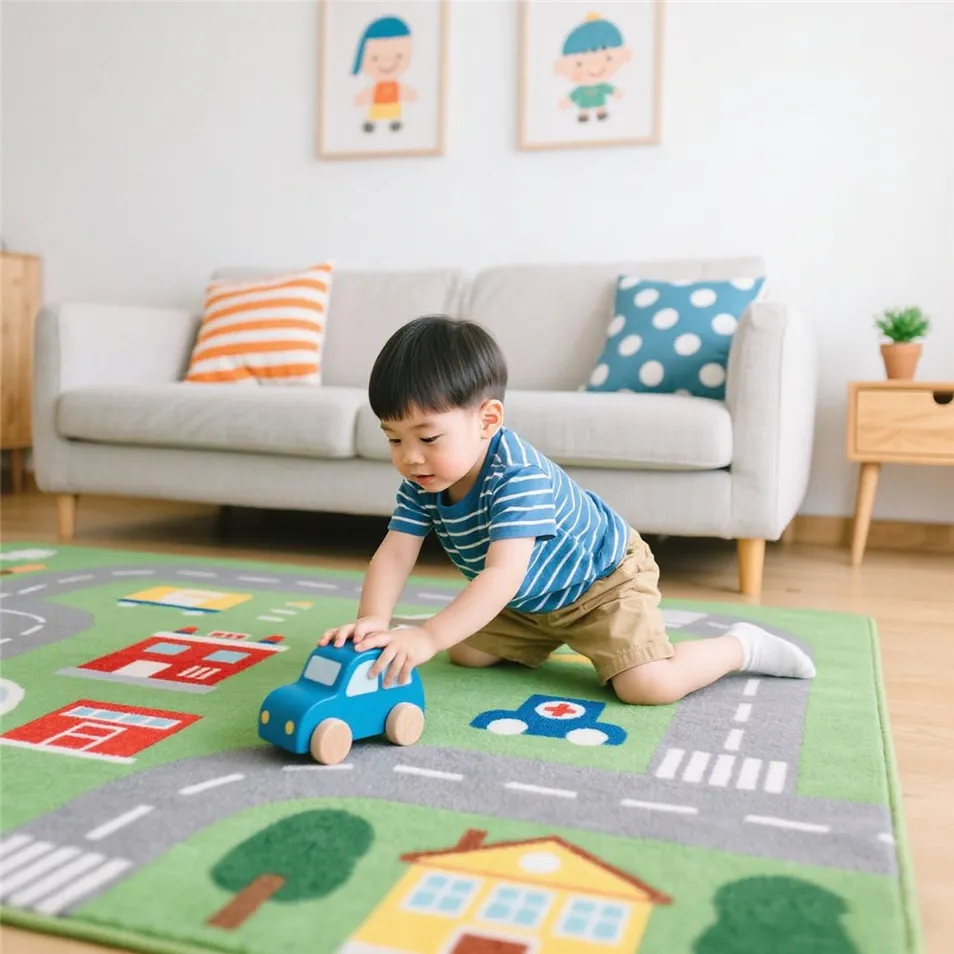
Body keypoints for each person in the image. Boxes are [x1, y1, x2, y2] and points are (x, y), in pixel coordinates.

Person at [320, 315, 816, 701]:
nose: (409, 456)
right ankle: (548, 636)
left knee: (647, 686)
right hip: (532, 598)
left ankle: (739, 647)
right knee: (467, 653)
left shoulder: (517, 478)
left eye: (427, 437)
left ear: (488, 419)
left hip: (601, 583)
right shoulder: (424, 476)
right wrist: (374, 621)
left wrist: (426, 636)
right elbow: (394, 554)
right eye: (393, 438)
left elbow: (501, 576)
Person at [554, 13, 632, 122]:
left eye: (608, 58)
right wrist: (566, 102)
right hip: (584, 104)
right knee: (584, 109)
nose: (594, 67)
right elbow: (574, 95)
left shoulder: (601, 86)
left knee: (600, 108)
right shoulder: (581, 89)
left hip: (600, 103)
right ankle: (584, 115)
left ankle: (600, 113)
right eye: (579, 64)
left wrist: (616, 93)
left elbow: (609, 89)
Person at [351, 15, 417, 133]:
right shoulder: (376, 87)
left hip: (393, 107)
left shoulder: (396, 86)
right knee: (374, 115)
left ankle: (393, 123)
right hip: (377, 107)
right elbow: (368, 93)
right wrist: (359, 99)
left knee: (393, 115)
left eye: (399, 56)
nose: (387, 63)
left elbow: (406, 92)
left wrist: (412, 95)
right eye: (375, 58)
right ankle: (371, 123)